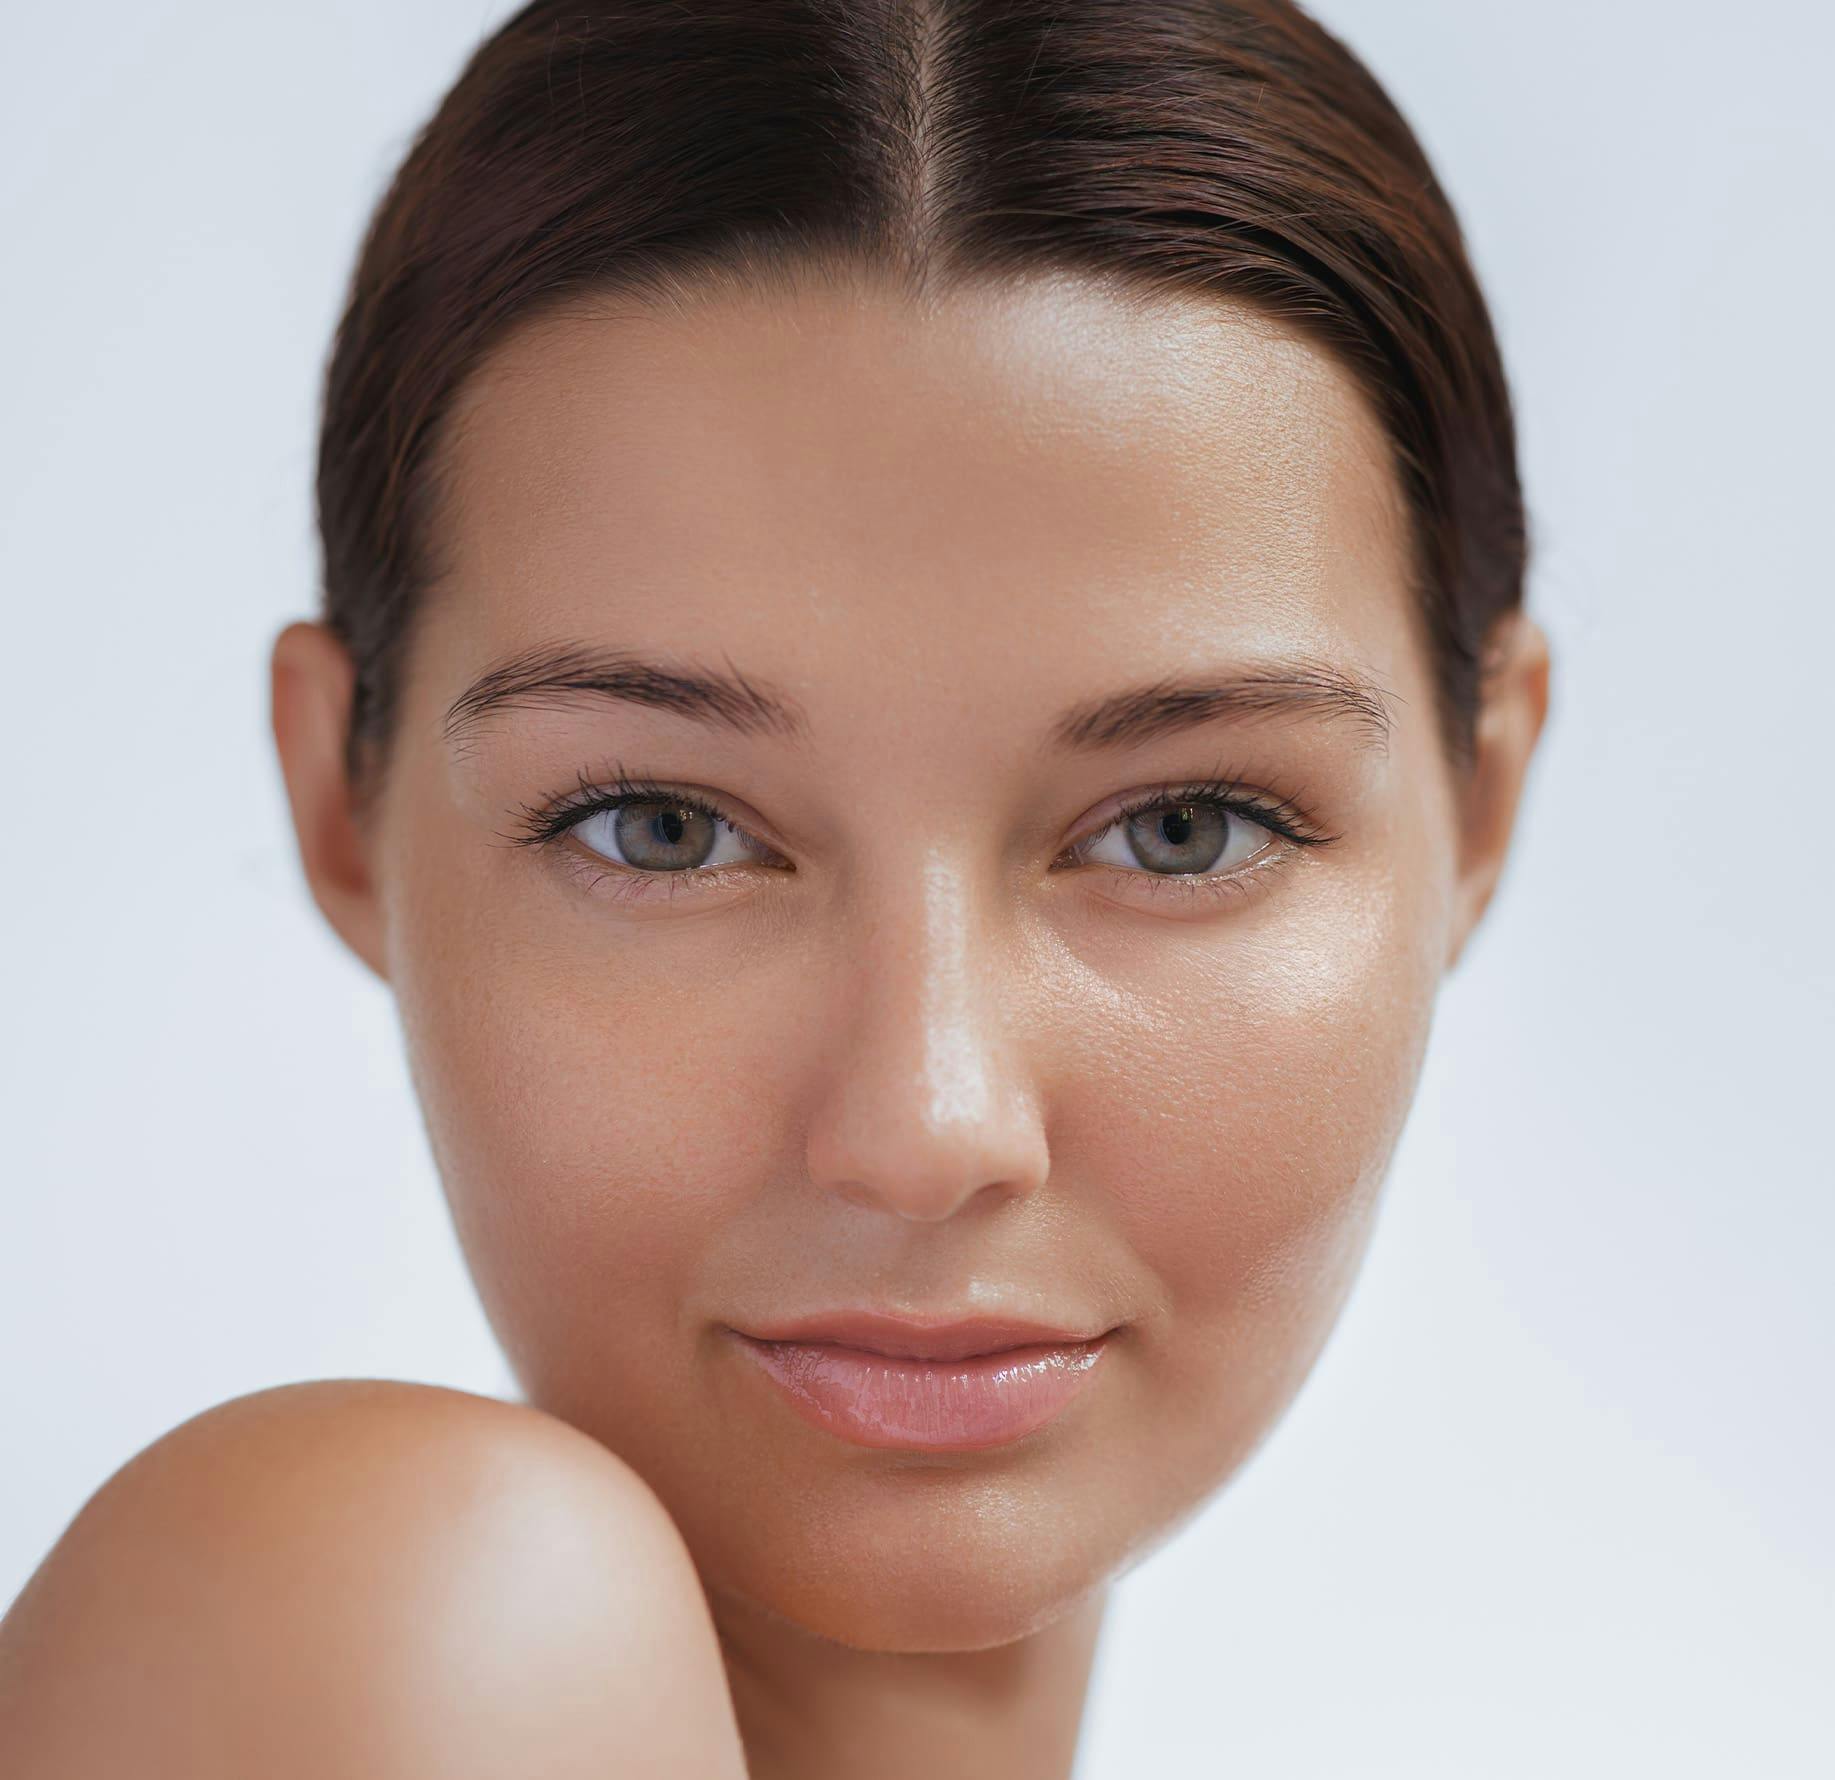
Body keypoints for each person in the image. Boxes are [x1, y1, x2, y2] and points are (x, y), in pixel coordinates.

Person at [0, 2, 1551, 1775]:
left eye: (1181, 828)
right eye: (663, 826)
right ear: (340, 804)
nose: (927, 1127)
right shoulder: (406, 1616)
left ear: (1480, 797)